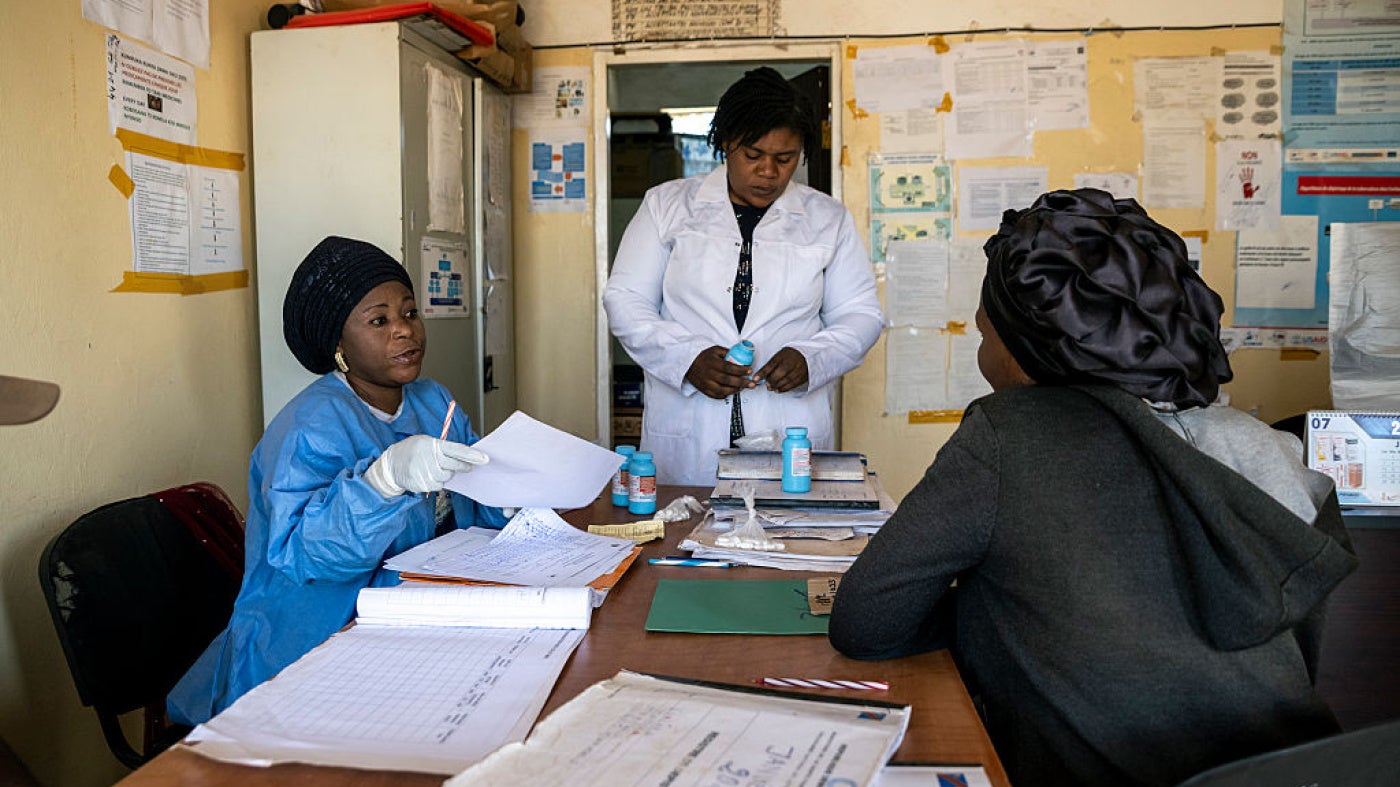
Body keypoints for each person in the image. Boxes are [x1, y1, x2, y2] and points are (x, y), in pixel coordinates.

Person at [828, 189, 1357, 787]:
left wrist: (992, 604)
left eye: (984, 334)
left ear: (1027, 348)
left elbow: (866, 623)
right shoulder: (1271, 448)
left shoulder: (1012, 431)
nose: (981, 352)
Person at [168, 236, 507, 725]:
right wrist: (383, 481)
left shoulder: (434, 403)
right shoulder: (309, 427)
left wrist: (515, 497)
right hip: (314, 639)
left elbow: (472, 502)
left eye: (410, 313)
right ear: (338, 347)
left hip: (410, 615)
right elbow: (307, 554)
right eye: (379, 320)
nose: (404, 332)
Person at [603, 66, 883, 485]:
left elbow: (861, 314)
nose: (768, 172)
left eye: (784, 158)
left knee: (784, 539)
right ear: (726, 143)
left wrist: (812, 357)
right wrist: (687, 358)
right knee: (685, 534)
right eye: (753, 155)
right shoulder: (667, 207)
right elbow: (624, 300)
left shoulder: (827, 219)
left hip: (787, 426)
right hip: (689, 430)